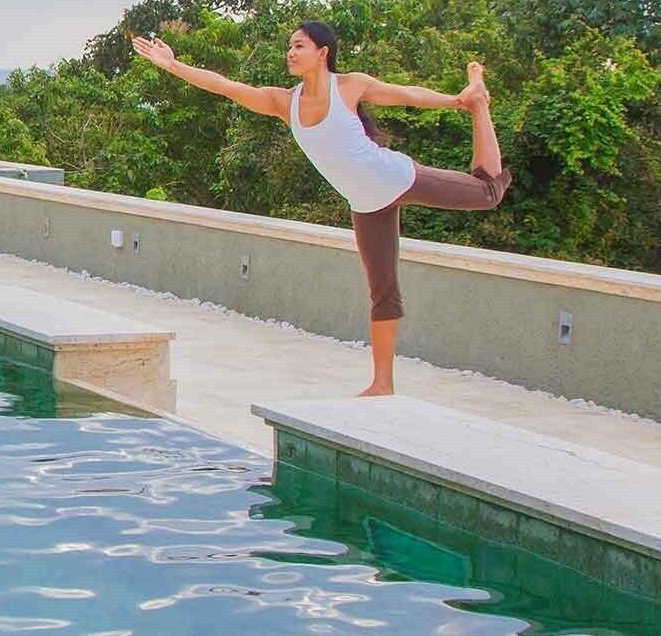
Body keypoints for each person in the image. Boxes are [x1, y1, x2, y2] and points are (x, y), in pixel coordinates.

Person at [127, 21, 508, 397]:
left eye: (300, 46)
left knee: (488, 192)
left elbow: (407, 94)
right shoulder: (284, 102)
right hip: (366, 203)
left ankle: (479, 103)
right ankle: (382, 384)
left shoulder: (350, 86)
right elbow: (227, 87)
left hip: (396, 177)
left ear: (323, 53)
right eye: (290, 46)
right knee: (383, 291)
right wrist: (174, 66)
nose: (291, 53)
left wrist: (458, 101)